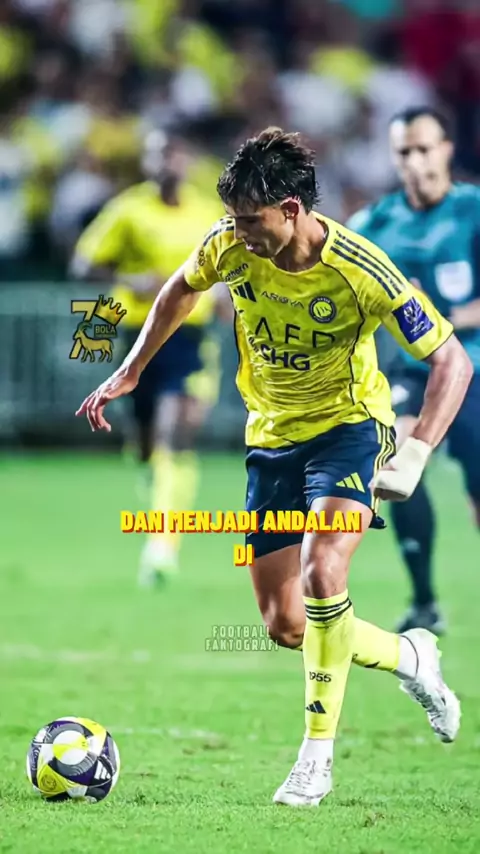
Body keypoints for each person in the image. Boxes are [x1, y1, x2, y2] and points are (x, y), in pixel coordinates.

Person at [76, 128, 471, 807]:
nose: (239, 233)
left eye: (250, 221)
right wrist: (131, 370)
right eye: (233, 220)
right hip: (271, 440)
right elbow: (179, 288)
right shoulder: (230, 244)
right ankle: (410, 656)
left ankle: (315, 760)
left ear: (291, 210)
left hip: (349, 430)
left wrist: (417, 449)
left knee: (324, 573)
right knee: (287, 625)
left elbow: (451, 359)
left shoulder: (361, 268)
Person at [71, 129, 232, 585]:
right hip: (137, 336)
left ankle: (162, 545)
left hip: (190, 337)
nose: (168, 163)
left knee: (174, 435)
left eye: (175, 154)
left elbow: (232, 264)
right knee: (145, 440)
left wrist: (225, 295)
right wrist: (132, 279)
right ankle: (149, 471)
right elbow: (83, 264)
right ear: (147, 162)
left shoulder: (207, 211)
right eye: (159, 155)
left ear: (188, 160)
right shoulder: (128, 210)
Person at [346, 107, 480, 635]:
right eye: (404, 151)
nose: (415, 160)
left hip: (472, 367)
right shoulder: (374, 224)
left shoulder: (472, 210)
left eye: (425, 148)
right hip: (412, 371)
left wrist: (437, 316)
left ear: (447, 149)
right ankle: (424, 601)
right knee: (396, 468)